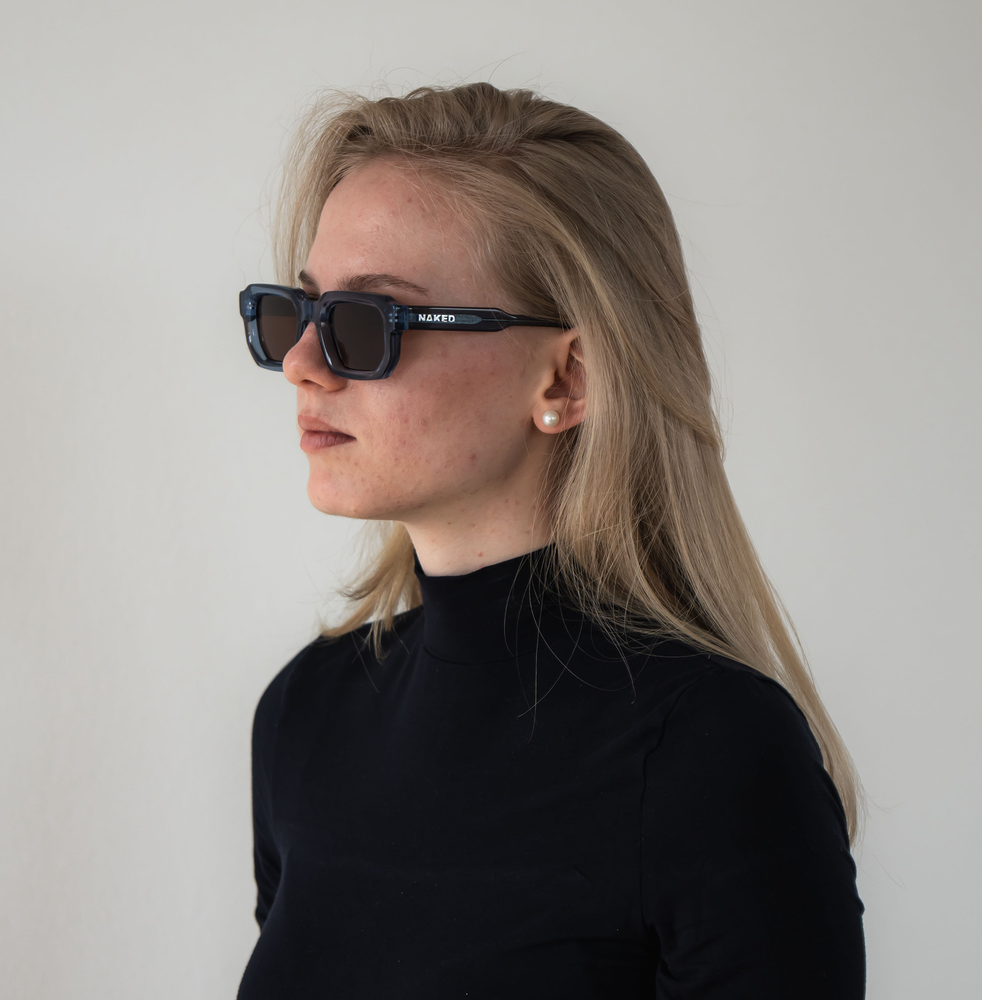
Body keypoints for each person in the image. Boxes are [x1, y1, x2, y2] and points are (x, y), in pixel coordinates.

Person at [235, 83, 866, 999]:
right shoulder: (305, 715)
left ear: (567, 379)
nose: (300, 364)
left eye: (367, 323)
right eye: (297, 312)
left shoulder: (712, 754)